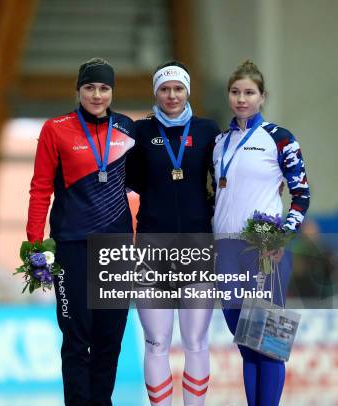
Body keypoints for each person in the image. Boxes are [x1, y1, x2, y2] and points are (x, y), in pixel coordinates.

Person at [26, 57, 136, 405]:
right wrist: (34, 244)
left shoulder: (128, 128)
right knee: (76, 338)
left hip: (116, 248)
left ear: (112, 92)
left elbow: (142, 186)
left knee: (110, 338)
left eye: (104, 88)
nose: (97, 95)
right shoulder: (55, 129)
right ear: (78, 90)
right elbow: (40, 189)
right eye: (89, 87)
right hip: (71, 247)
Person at [213, 60, 310, 405]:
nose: (242, 99)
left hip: (263, 251)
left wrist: (282, 236)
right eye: (236, 92)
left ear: (262, 96)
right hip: (224, 251)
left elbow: (302, 194)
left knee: (268, 347)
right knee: (245, 346)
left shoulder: (280, 139)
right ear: (229, 95)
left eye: (249, 92)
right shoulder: (220, 142)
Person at [125, 61, 220, 405]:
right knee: (157, 342)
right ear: (156, 92)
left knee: (196, 341)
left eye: (178, 88)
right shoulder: (139, 131)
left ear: (188, 91)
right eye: (165, 89)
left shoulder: (209, 130)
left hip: (197, 244)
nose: (172, 95)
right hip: (152, 244)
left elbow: (225, 179)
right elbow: (129, 180)